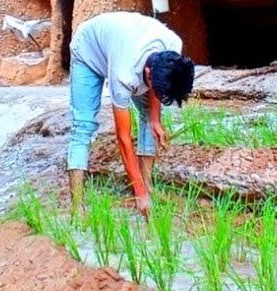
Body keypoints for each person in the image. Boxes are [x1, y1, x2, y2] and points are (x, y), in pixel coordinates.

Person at [67, 11, 195, 218]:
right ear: (148, 74)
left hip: (123, 43)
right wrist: (138, 191)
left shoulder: (173, 45)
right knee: (83, 126)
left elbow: (158, 86)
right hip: (88, 50)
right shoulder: (124, 74)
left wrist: (155, 118)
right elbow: (124, 138)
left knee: (149, 118)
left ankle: (148, 186)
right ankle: (77, 209)